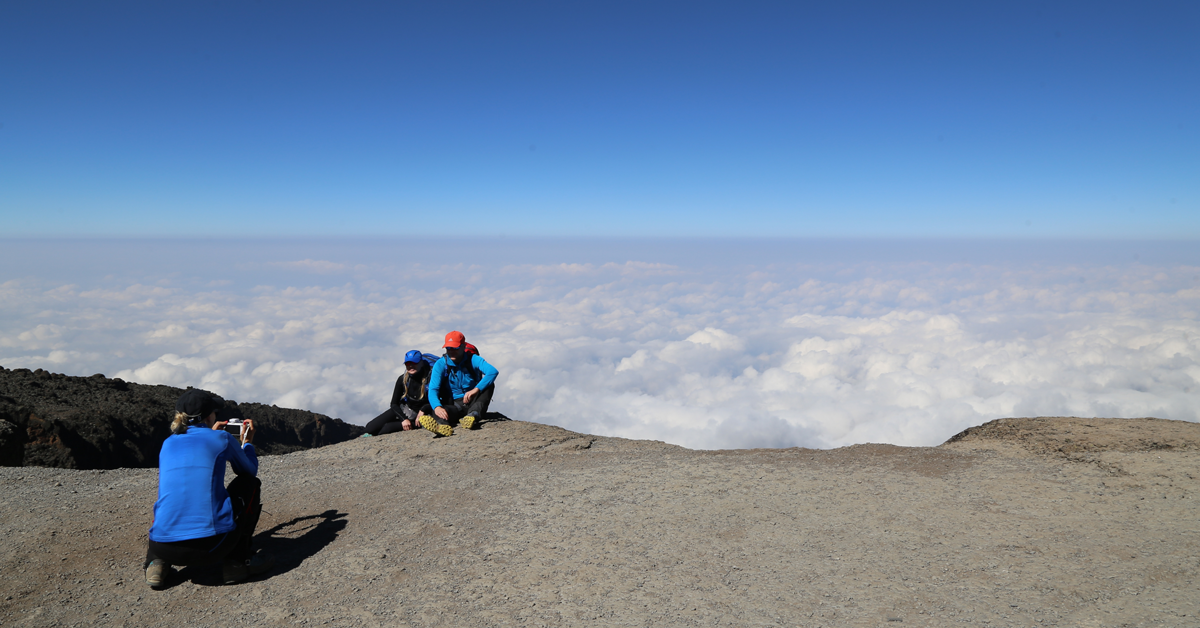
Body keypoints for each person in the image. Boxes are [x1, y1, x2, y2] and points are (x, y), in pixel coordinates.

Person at [144, 389, 273, 589]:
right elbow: (248, 471)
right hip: (212, 547)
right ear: (208, 416)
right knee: (248, 484)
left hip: (161, 546)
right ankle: (239, 561)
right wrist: (247, 443)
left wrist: (209, 432)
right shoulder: (222, 438)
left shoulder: (168, 443)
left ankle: (156, 564)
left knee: (175, 497)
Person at [418, 331, 499, 437]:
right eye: (448, 348)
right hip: (454, 405)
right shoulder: (441, 364)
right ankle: (442, 426)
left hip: (473, 400)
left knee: (489, 385)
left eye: (455, 348)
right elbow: (433, 389)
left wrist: (476, 390)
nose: (451, 351)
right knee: (440, 410)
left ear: (463, 346)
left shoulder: (472, 359)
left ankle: (472, 415)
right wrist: (437, 407)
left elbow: (492, 372)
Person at [362, 350, 435, 436]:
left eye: (414, 362)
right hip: (406, 409)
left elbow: (439, 399)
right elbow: (394, 403)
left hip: (423, 416)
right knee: (370, 428)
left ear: (421, 363)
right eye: (407, 363)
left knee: (387, 428)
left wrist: (424, 409)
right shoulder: (403, 379)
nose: (411, 365)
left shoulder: (431, 379)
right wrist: (403, 419)